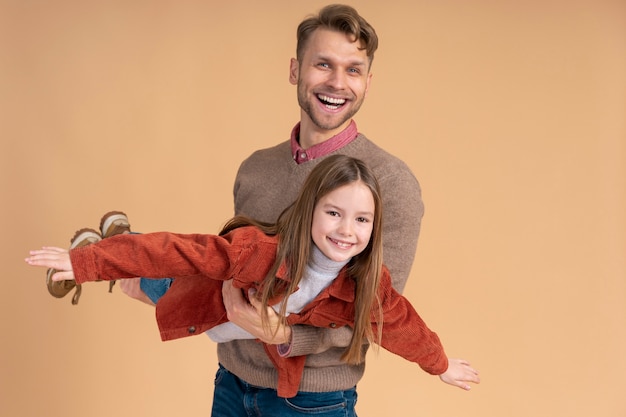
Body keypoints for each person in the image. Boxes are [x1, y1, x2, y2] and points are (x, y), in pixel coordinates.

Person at [41, 5, 452, 416]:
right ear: (295, 70)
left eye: (353, 70)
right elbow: (225, 270)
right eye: (323, 64)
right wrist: (166, 291)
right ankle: (118, 251)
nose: (337, 83)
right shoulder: (256, 169)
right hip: (232, 385)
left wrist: (286, 335)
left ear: (368, 81)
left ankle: (117, 248)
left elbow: (375, 312)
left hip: (311, 402)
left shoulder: (390, 182)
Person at [26, 155, 480, 402]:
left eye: (362, 220)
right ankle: (115, 244)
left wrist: (440, 364)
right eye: (335, 213)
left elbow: (404, 327)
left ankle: (118, 243)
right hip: (210, 306)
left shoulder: (368, 283)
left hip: (251, 350)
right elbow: (183, 250)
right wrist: (89, 264)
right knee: (162, 280)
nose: (346, 230)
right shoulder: (260, 253)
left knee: (159, 286)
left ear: (374, 227)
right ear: (310, 212)